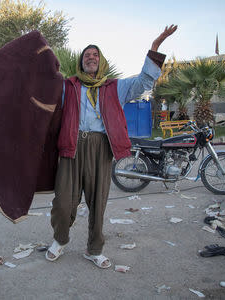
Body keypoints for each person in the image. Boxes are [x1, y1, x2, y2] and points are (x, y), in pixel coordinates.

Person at [46, 25, 178, 268]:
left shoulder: (115, 87)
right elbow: (43, 96)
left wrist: (156, 47)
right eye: (87, 55)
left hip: (101, 148)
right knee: (63, 202)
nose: (91, 58)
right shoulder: (68, 86)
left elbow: (144, 82)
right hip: (71, 146)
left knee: (98, 202)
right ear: (81, 62)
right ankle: (60, 239)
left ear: (101, 61)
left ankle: (94, 249)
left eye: (95, 55)